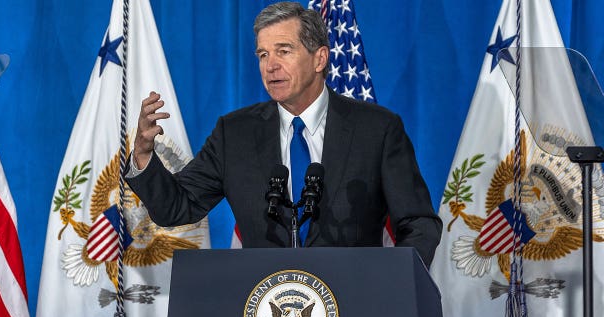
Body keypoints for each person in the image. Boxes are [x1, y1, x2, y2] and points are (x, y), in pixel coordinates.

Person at [125, 2, 442, 267]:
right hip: (264, 301)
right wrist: (142, 155)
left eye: (284, 51)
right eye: (263, 55)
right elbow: (176, 208)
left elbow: (418, 224)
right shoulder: (233, 134)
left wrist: (393, 285)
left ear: (319, 58)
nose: (270, 66)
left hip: (355, 301)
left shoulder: (377, 129)